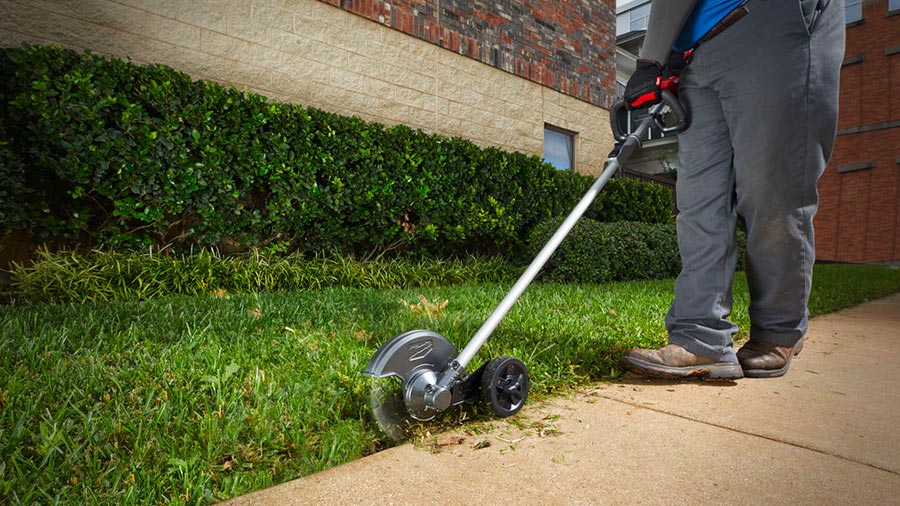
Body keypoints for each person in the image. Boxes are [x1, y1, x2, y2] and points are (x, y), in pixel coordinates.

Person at [620, 0, 845, 380]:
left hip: (771, 23)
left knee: (772, 193)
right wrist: (663, 58)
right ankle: (700, 339)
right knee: (698, 205)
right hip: (696, 56)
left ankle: (778, 331)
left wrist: (650, 60)